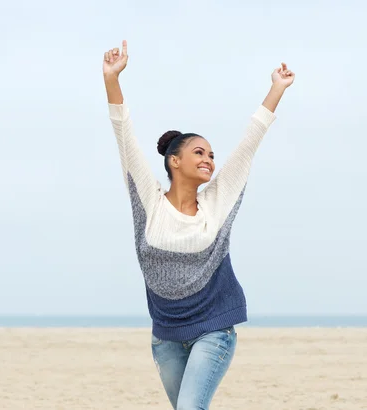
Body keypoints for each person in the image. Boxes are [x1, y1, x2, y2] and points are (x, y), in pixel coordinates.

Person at [103, 40, 294, 410]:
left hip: (214, 330)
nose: (208, 159)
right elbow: (124, 136)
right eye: (198, 152)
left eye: (210, 155)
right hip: (166, 337)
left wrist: (276, 89)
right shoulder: (149, 205)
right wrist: (112, 79)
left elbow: (249, 143)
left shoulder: (217, 204)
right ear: (174, 161)